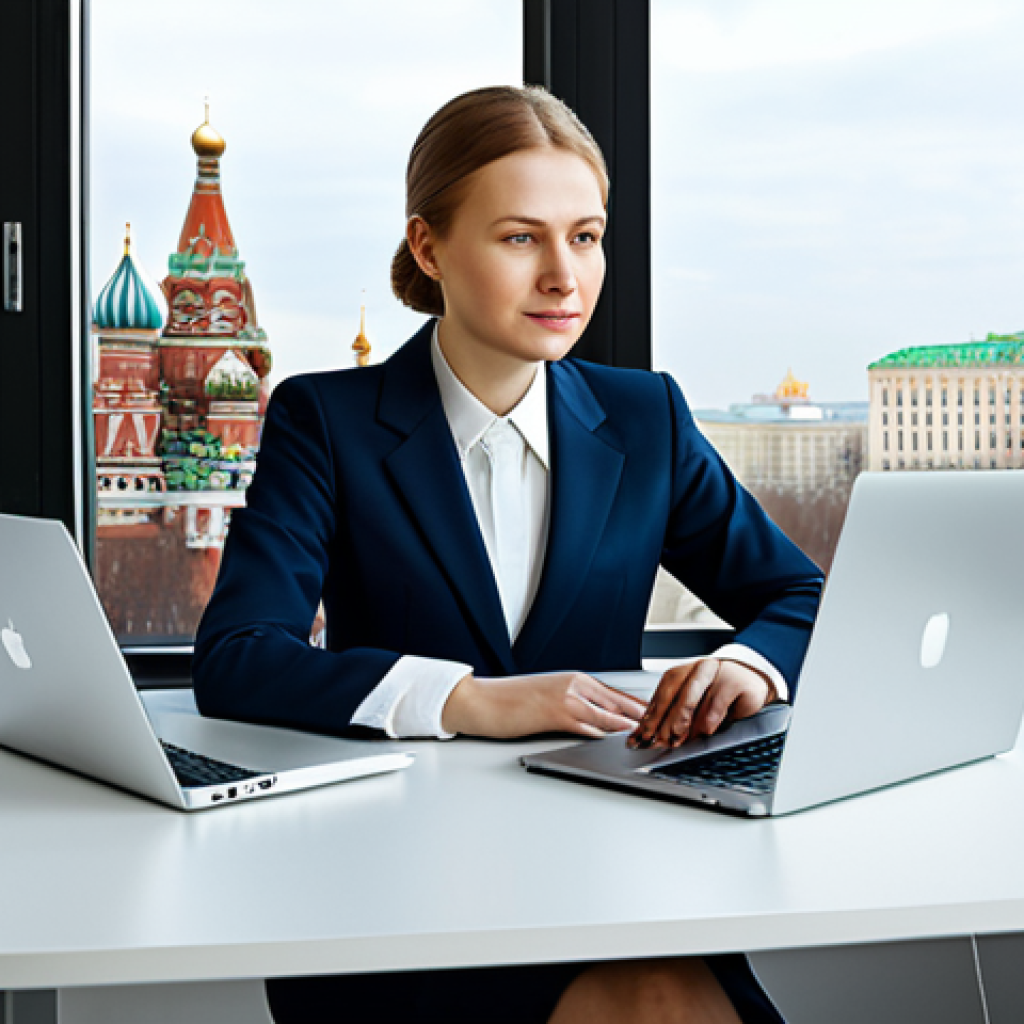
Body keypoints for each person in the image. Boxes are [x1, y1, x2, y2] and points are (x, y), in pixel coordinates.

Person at [193, 84, 824, 1024]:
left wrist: (744, 665)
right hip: (399, 886)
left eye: (586, 235)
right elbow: (238, 656)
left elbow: (801, 597)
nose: (565, 277)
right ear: (429, 247)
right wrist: (466, 699)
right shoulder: (326, 422)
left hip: (611, 867)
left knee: (661, 988)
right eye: (522, 238)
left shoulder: (644, 417)